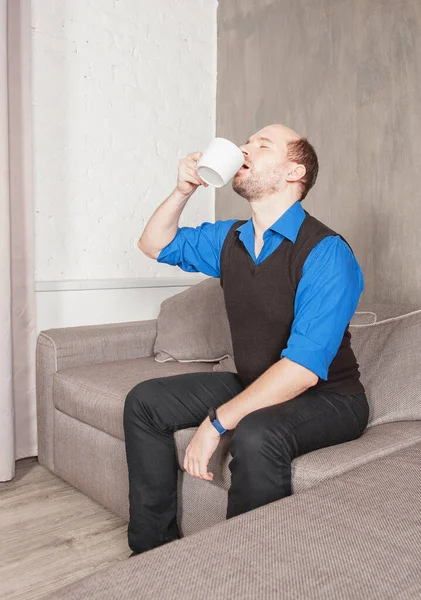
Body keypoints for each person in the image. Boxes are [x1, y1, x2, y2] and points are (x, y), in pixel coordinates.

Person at [124, 123, 370, 557]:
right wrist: (183, 190)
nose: (244, 149)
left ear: (295, 173)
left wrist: (216, 423)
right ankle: (153, 554)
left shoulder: (327, 252)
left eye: (262, 144)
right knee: (144, 402)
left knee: (255, 433)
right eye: (246, 143)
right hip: (255, 379)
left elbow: (300, 372)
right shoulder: (229, 238)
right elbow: (153, 244)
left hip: (331, 397)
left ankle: (245, 570)